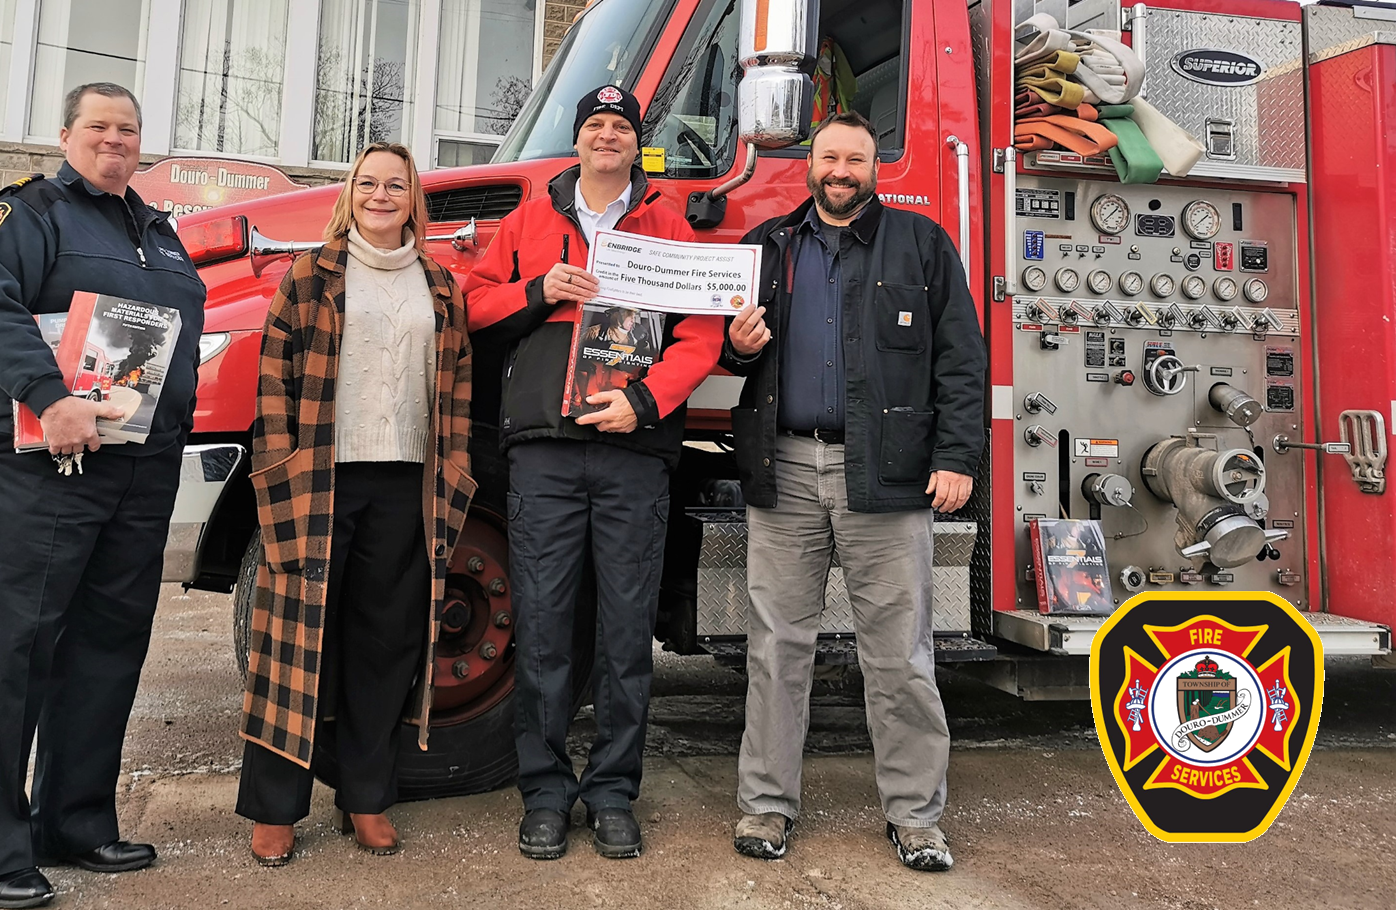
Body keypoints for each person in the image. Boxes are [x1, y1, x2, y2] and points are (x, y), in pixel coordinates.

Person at [0, 83, 207, 908]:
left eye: (128, 129)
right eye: (98, 126)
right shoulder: (31, 212)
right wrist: (47, 397)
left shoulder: (160, 233)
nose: (115, 140)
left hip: (134, 467)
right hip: (36, 457)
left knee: (105, 645)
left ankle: (76, 818)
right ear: (67, 135)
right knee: (11, 650)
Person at [462, 85, 723, 860]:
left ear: (633, 144)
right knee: (540, 627)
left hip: (632, 452)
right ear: (577, 141)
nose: (606, 135)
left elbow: (701, 331)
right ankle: (543, 792)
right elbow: (470, 304)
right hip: (542, 447)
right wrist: (536, 289)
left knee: (621, 634)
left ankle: (611, 791)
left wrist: (644, 402)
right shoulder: (527, 219)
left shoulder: (666, 222)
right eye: (595, 125)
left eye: (619, 126)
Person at [721, 111, 986, 872]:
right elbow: (716, 345)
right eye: (830, 156)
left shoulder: (922, 245)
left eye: (856, 160)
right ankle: (765, 807)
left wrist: (958, 455)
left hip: (890, 473)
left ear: (876, 169)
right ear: (810, 164)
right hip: (785, 468)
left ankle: (915, 818)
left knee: (899, 655)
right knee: (776, 648)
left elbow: (959, 360)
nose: (841, 170)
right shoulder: (766, 246)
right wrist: (732, 347)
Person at [238, 142, 476, 867]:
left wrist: (456, 466)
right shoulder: (310, 275)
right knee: (293, 642)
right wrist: (277, 475)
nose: (380, 196)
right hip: (319, 479)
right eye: (368, 184)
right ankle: (276, 808)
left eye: (394, 186)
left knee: (386, 644)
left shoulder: (440, 285)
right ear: (351, 194)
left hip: (405, 482)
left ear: (412, 199)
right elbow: (272, 387)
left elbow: (458, 390)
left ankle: (366, 797)